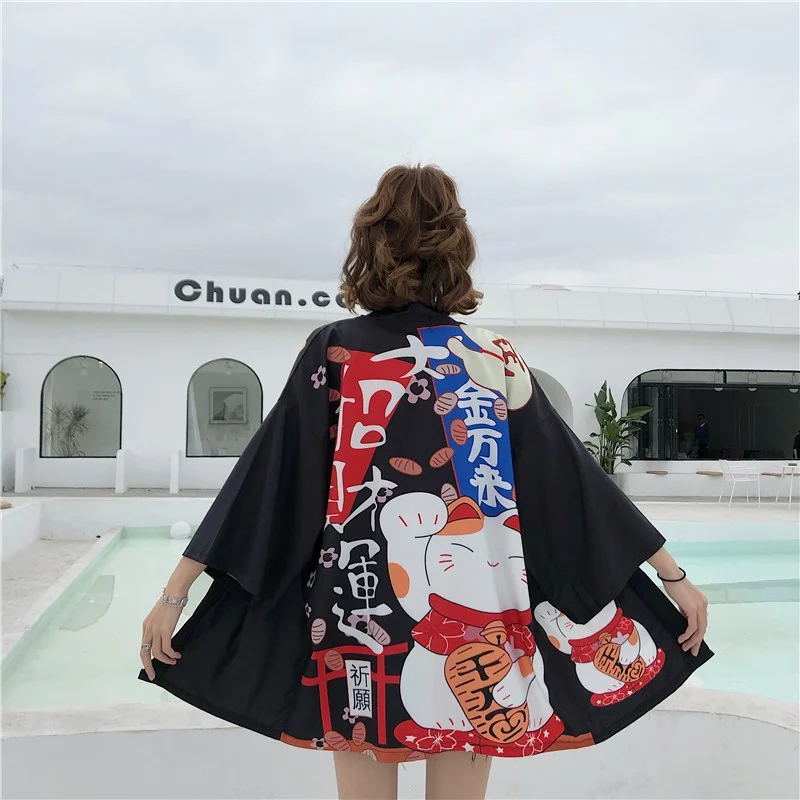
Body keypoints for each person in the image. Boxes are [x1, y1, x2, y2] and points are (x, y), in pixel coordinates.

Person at [138, 165, 711, 800]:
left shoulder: (335, 350)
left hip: (357, 611)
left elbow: (268, 478)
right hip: (486, 616)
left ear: (371, 243)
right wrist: (671, 574)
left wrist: (175, 594)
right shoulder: (491, 356)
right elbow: (569, 481)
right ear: (456, 247)